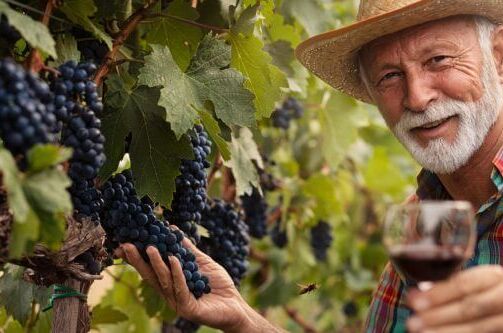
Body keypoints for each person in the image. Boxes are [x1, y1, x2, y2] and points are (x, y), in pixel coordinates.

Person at [117, 0, 503, 332]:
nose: (417, 97)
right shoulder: (424, 226)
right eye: (390, 76)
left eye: (439, 59)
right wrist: (242, 319)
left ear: (499, 56)